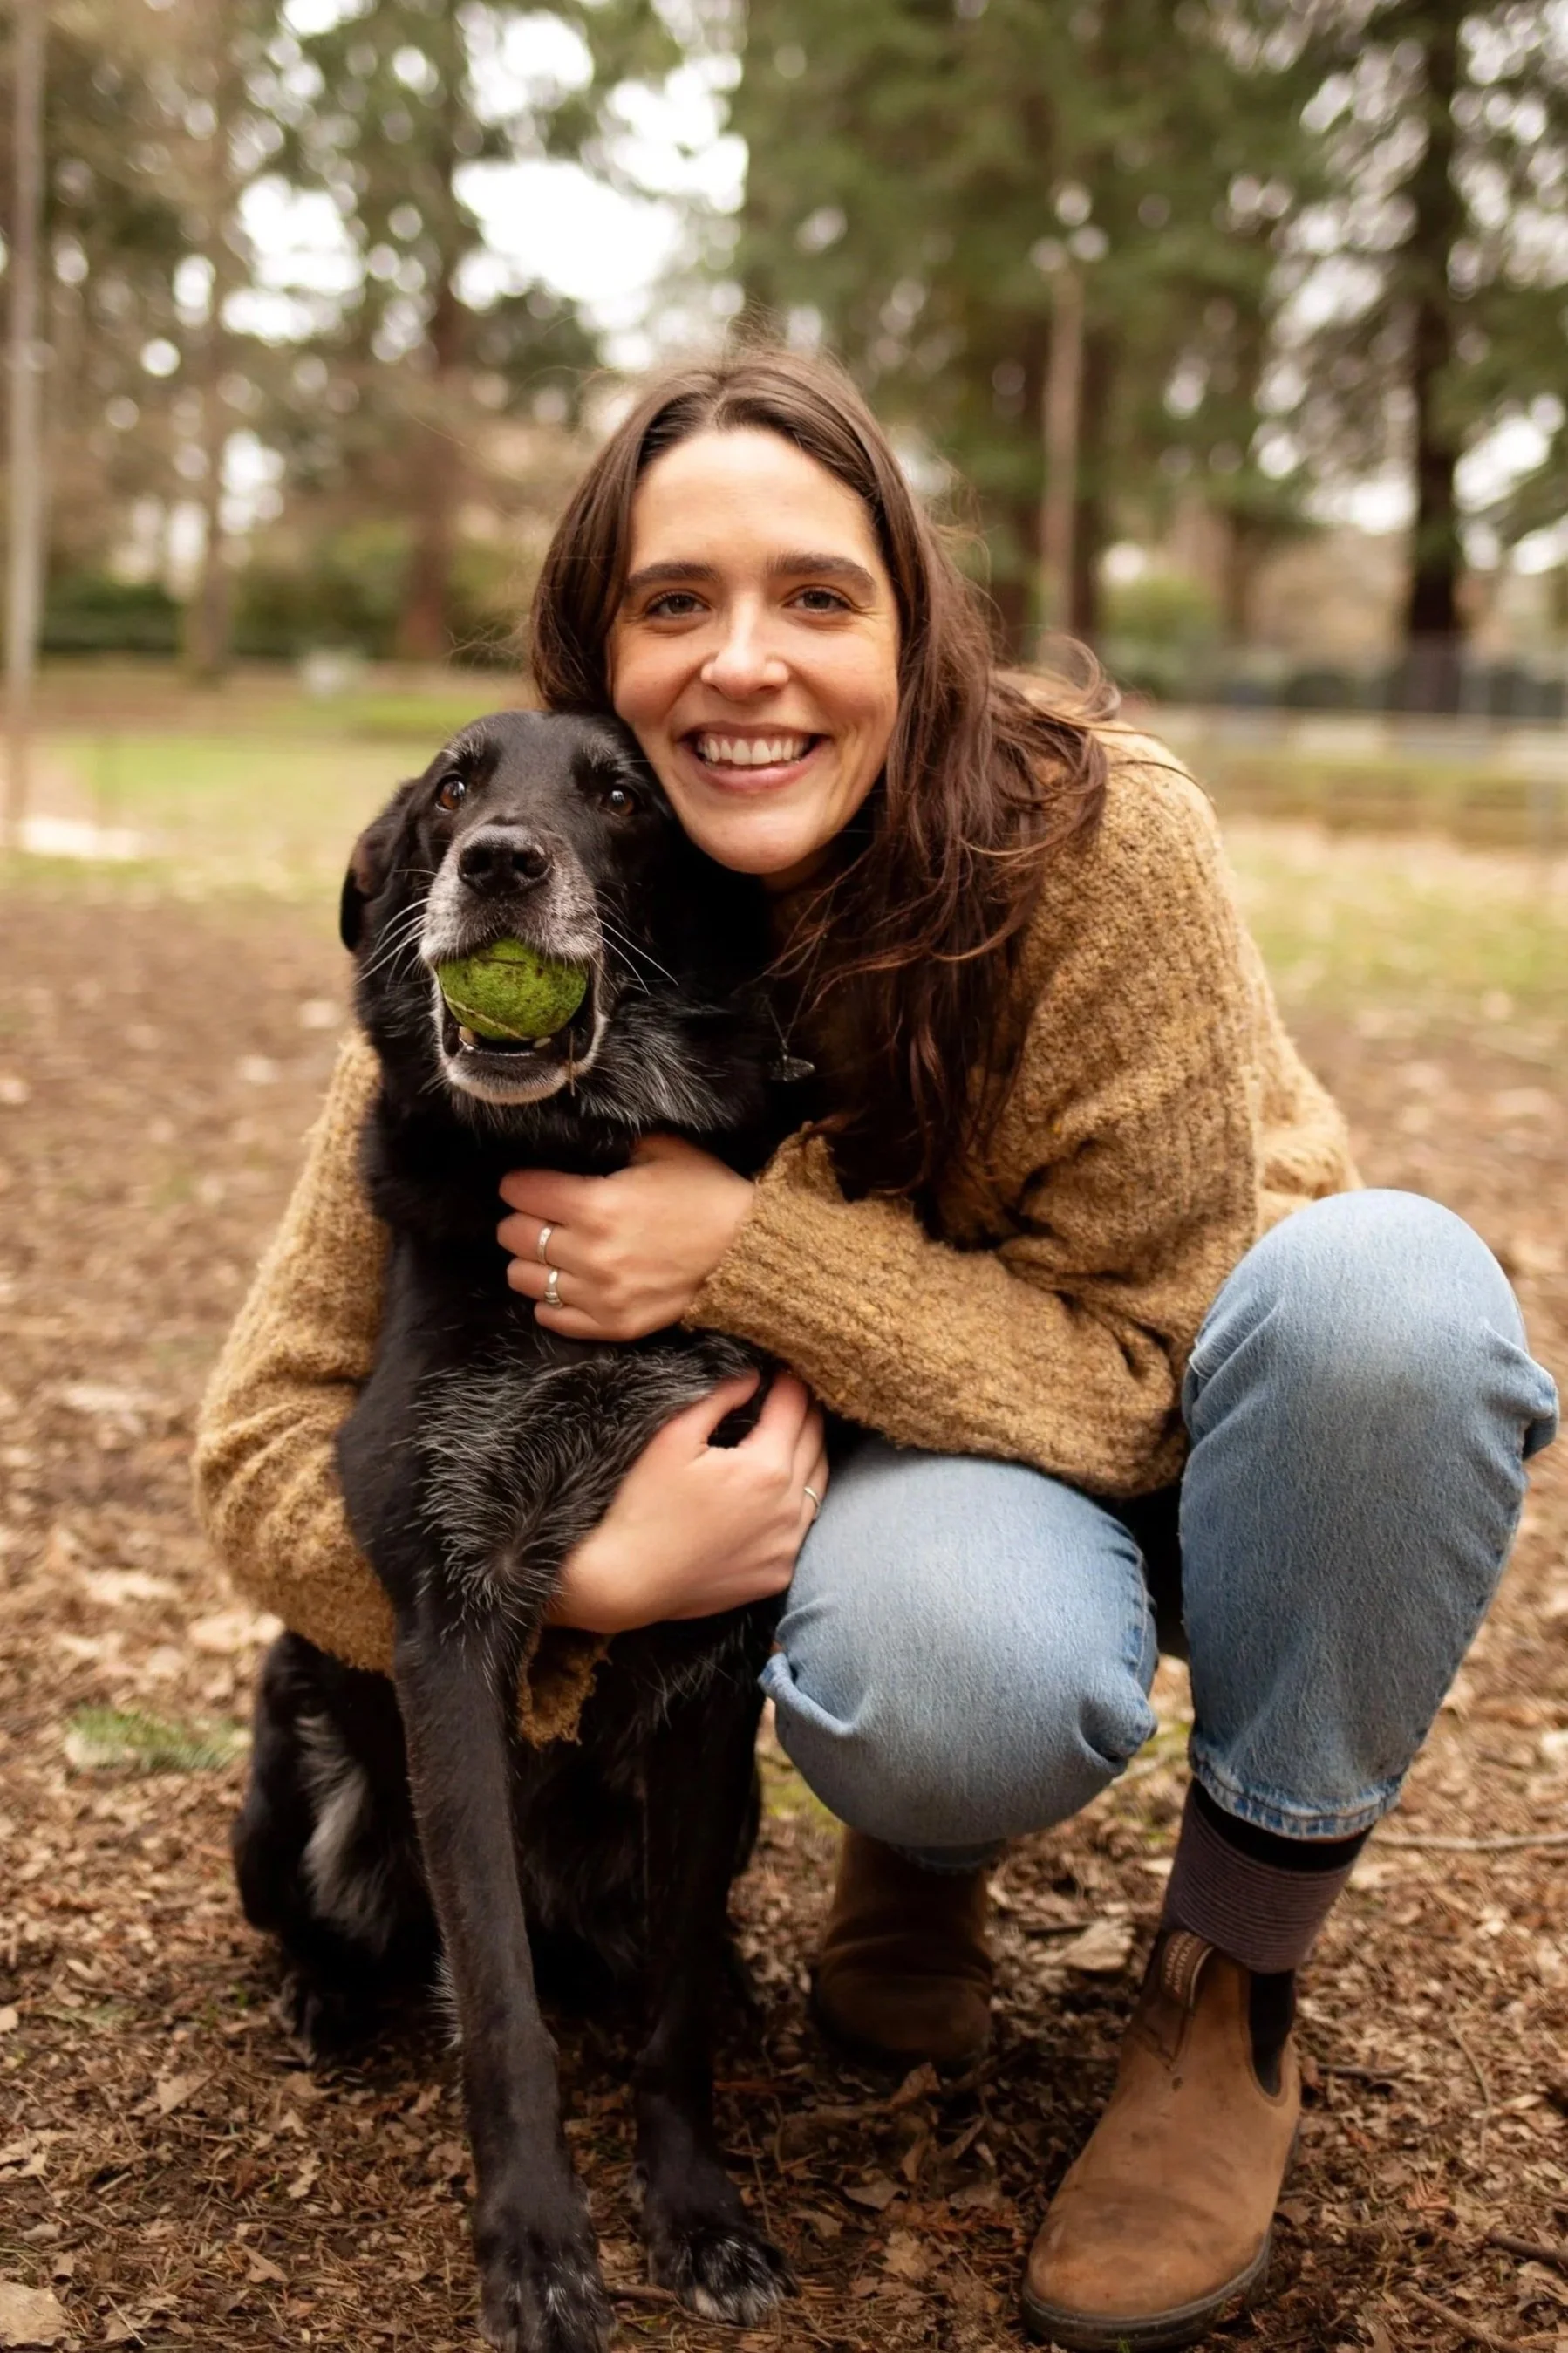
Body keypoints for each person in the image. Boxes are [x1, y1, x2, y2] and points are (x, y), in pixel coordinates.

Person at [195, 345, 1558, 2351]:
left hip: (1190, 1420)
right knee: (935, 1657)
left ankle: (1227, 1991)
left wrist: (750, 1245)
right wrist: (588, 1579)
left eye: (815, 596)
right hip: (922, 1471)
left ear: (911, 631)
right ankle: (915, 1854)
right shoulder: (508, 945)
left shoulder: (1099, 846)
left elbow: (1139, 1363)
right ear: (598, 665)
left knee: (1398, 1302)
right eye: (677, 604)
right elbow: (262, 1445)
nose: (744, 660)